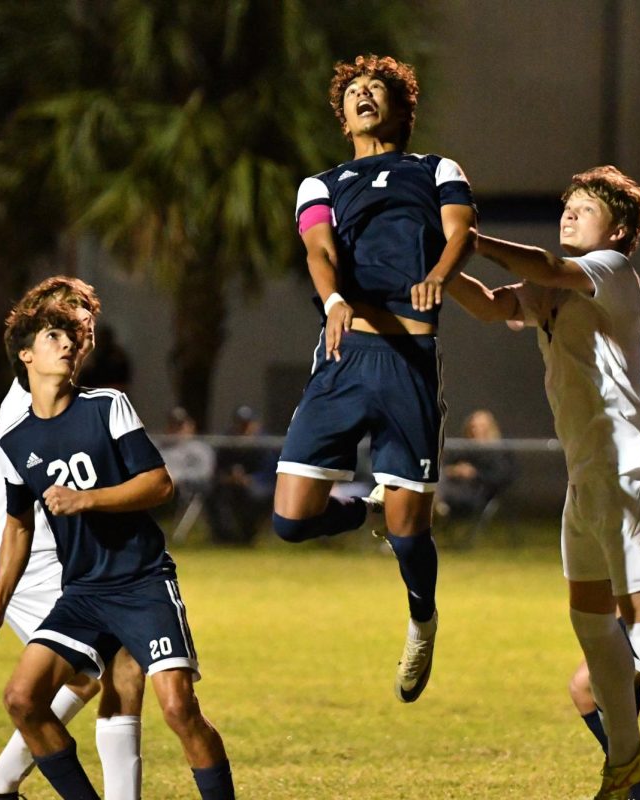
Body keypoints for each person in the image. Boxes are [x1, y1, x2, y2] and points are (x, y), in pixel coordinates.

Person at [449, 165, 640, 799]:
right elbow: (492, 306)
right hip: (588, 474)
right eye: (567, 206)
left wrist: (476, 239)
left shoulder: (611, 271)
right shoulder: (557, 289)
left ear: (619, 229)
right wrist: (438, 266)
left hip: (629, 467)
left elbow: (547, 266)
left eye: (584, 208)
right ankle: (627, 760)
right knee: (592, 621)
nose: (570, 214)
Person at [272, 54, 476, 703]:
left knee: (413, 531)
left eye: (376, 89)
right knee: (291, 521)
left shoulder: (436, 169)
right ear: (342, 116)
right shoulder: (321, 183)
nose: (364, 97)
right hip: (344, 355)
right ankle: (366, 511)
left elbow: (460, 231)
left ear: (400, 107)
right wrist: (334, 301)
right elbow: (318, 247)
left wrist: (440, 276)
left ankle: (422, 619)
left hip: (409, 362)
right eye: (354, 92)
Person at [0, 299, 234, 799]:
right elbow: (17, 526)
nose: (68, 343)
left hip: (143, 583)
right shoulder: (14, 438)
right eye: (53, 337)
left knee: (180, 709)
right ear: (25, 356)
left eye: (70, 337)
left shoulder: (106, 405)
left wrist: (86, 499)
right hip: (83, 593)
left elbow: (159, 486)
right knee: (22, 700)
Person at [0, 277, 144, 800]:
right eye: (67, 326)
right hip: (31, 558)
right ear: (32, 344)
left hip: (10, 551)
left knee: (93, 671)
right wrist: (31, 530)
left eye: (86, 328)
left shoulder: (27, 396)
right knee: (117, 664)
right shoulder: (39, 391)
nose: (78, 338)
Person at [206, 406, 274, 545]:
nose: (243, 428)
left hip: (260, 485)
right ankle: (224, 537)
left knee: (254, 495)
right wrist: (227, 477)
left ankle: (248, 536)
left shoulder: (266, 443)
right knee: (212, 493)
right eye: (240, 423)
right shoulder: (228, 441)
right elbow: (218, 468)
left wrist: (250, 479)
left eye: (247, 424)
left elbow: (271, 472)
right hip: (231, 484)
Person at [436, 409, 516, 522]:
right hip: (453, 486)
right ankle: (436, 504)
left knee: (435, 488)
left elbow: (503, 477)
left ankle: (437, 504)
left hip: (478, 494)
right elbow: (446, 466)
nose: (477, 430)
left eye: (482, 426)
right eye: (473, 426)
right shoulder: (464, 450)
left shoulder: (500, 452)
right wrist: (455, 470)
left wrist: (474, 473)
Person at [160, 407, 216, 543]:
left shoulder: (201, 449)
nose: (177, 429)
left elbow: (204, 474)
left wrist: (177, 478)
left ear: (191, 426)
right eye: (173, 425)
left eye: (180, 425)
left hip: (183, 490)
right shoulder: (159, 447)